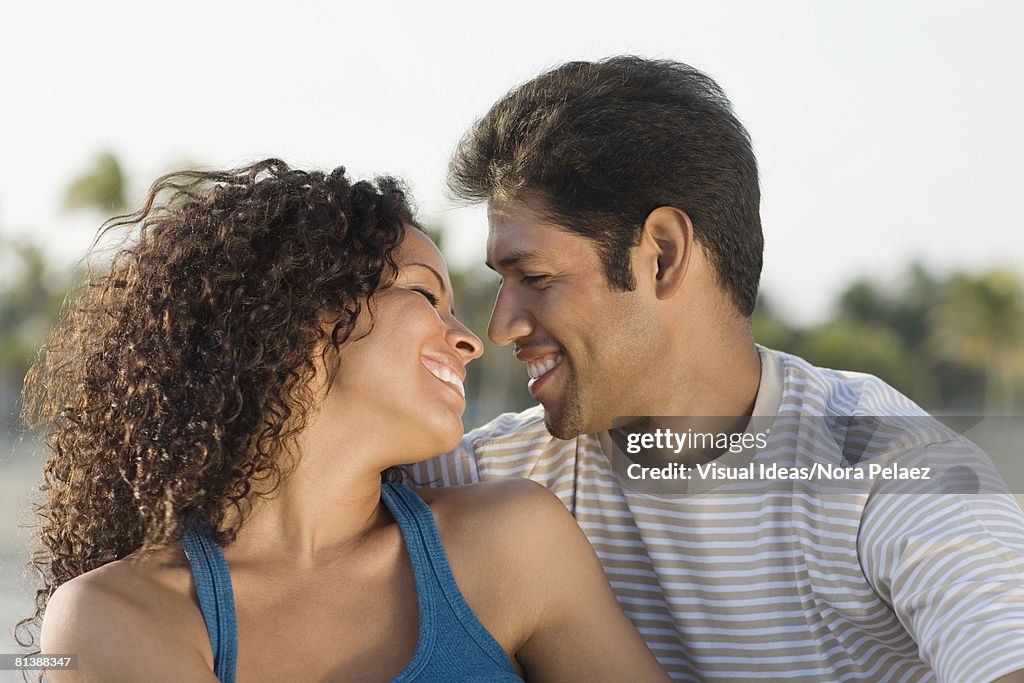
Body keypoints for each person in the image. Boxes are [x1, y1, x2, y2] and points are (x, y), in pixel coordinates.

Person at [409, 56, 1024, 682]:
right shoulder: (482, 478)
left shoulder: (886, 467)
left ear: (663, 256)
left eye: (535, 278)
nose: (500, 326)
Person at [19, 160, 669, 682]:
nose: (470, 338)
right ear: (295, 313)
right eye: (422, 293)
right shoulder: (119, 615)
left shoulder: (513, 543)